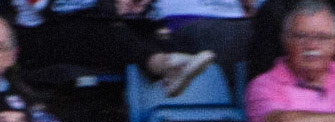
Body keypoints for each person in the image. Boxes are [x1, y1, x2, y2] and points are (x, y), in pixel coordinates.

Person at [12, 0, 216, 97]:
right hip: (40, 37)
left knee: (151, 25)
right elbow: (52, 9)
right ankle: (165, 66)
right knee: (109, 28)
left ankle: (171, 66)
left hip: (92, 24)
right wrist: (112, 6)